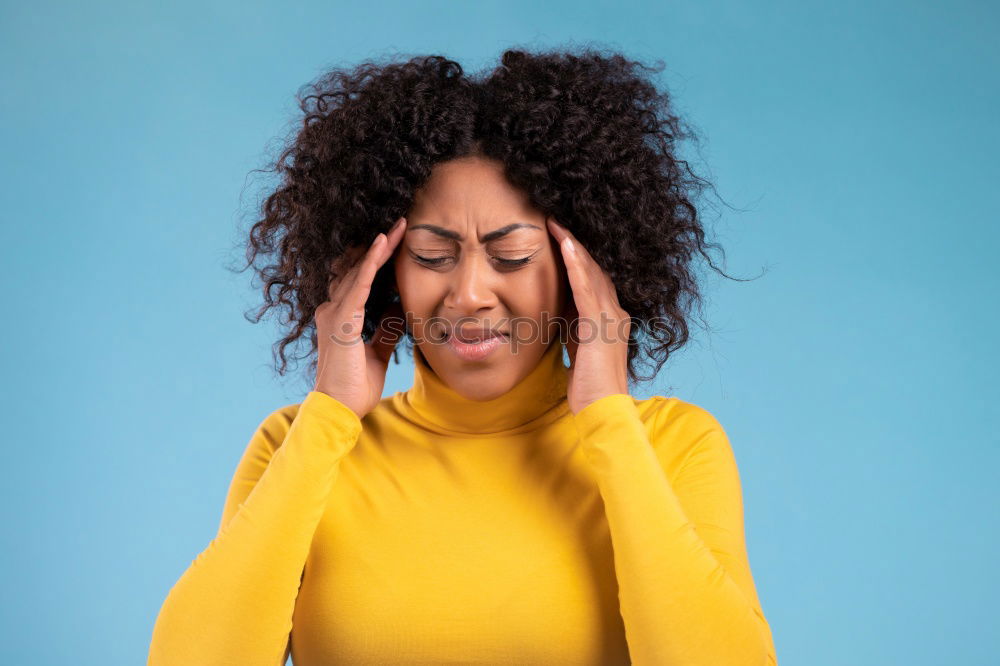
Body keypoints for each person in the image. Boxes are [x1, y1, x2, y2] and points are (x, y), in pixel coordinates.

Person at [147, 48, 778, 665]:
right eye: (430, 256)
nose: (470, 294)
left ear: (582, 265)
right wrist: (330, 417)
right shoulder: (298, 446)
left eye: (511, 257)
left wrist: (608, 419)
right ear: (385, 269)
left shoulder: (672, 446)